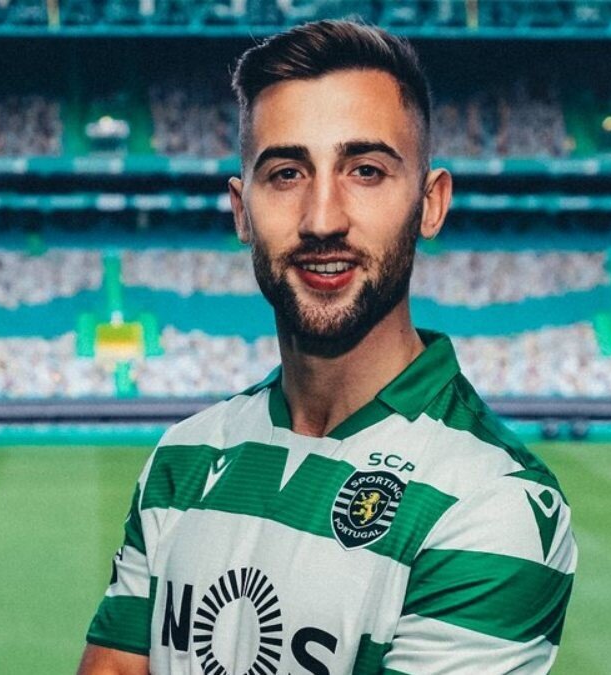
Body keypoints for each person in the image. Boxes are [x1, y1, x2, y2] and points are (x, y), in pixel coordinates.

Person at [78, 19, 575, 675]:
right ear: (241, 210)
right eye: (286, 173)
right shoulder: (183, 456)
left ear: (430, 203)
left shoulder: (494, 502)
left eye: (366, 171)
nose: (322, 219)